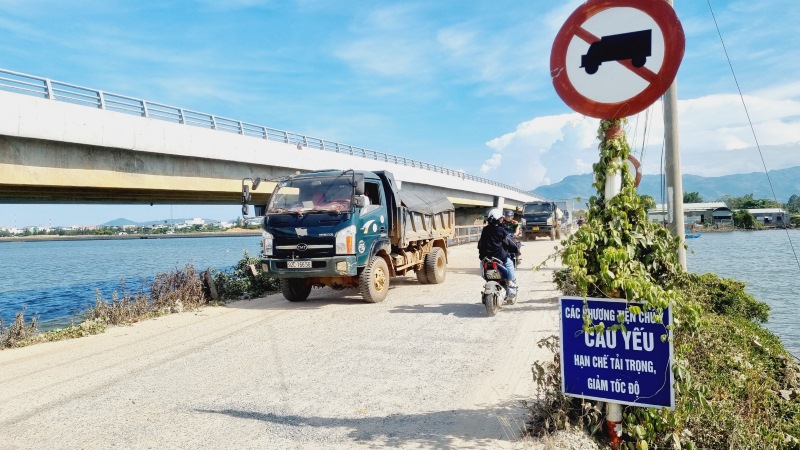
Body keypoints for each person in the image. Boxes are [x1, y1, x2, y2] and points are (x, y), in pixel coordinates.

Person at [478, 208, 519, 287]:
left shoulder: (485, 230)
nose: (502, 219)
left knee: (482, 264)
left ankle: (488, 280)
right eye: (501, 218)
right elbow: (509, 242)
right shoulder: (501, 230)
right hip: (499, 256)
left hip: (485, 257)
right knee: (510, 263)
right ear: (499, 219)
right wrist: (515, 248)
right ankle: (510, 282)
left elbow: (480, 243)